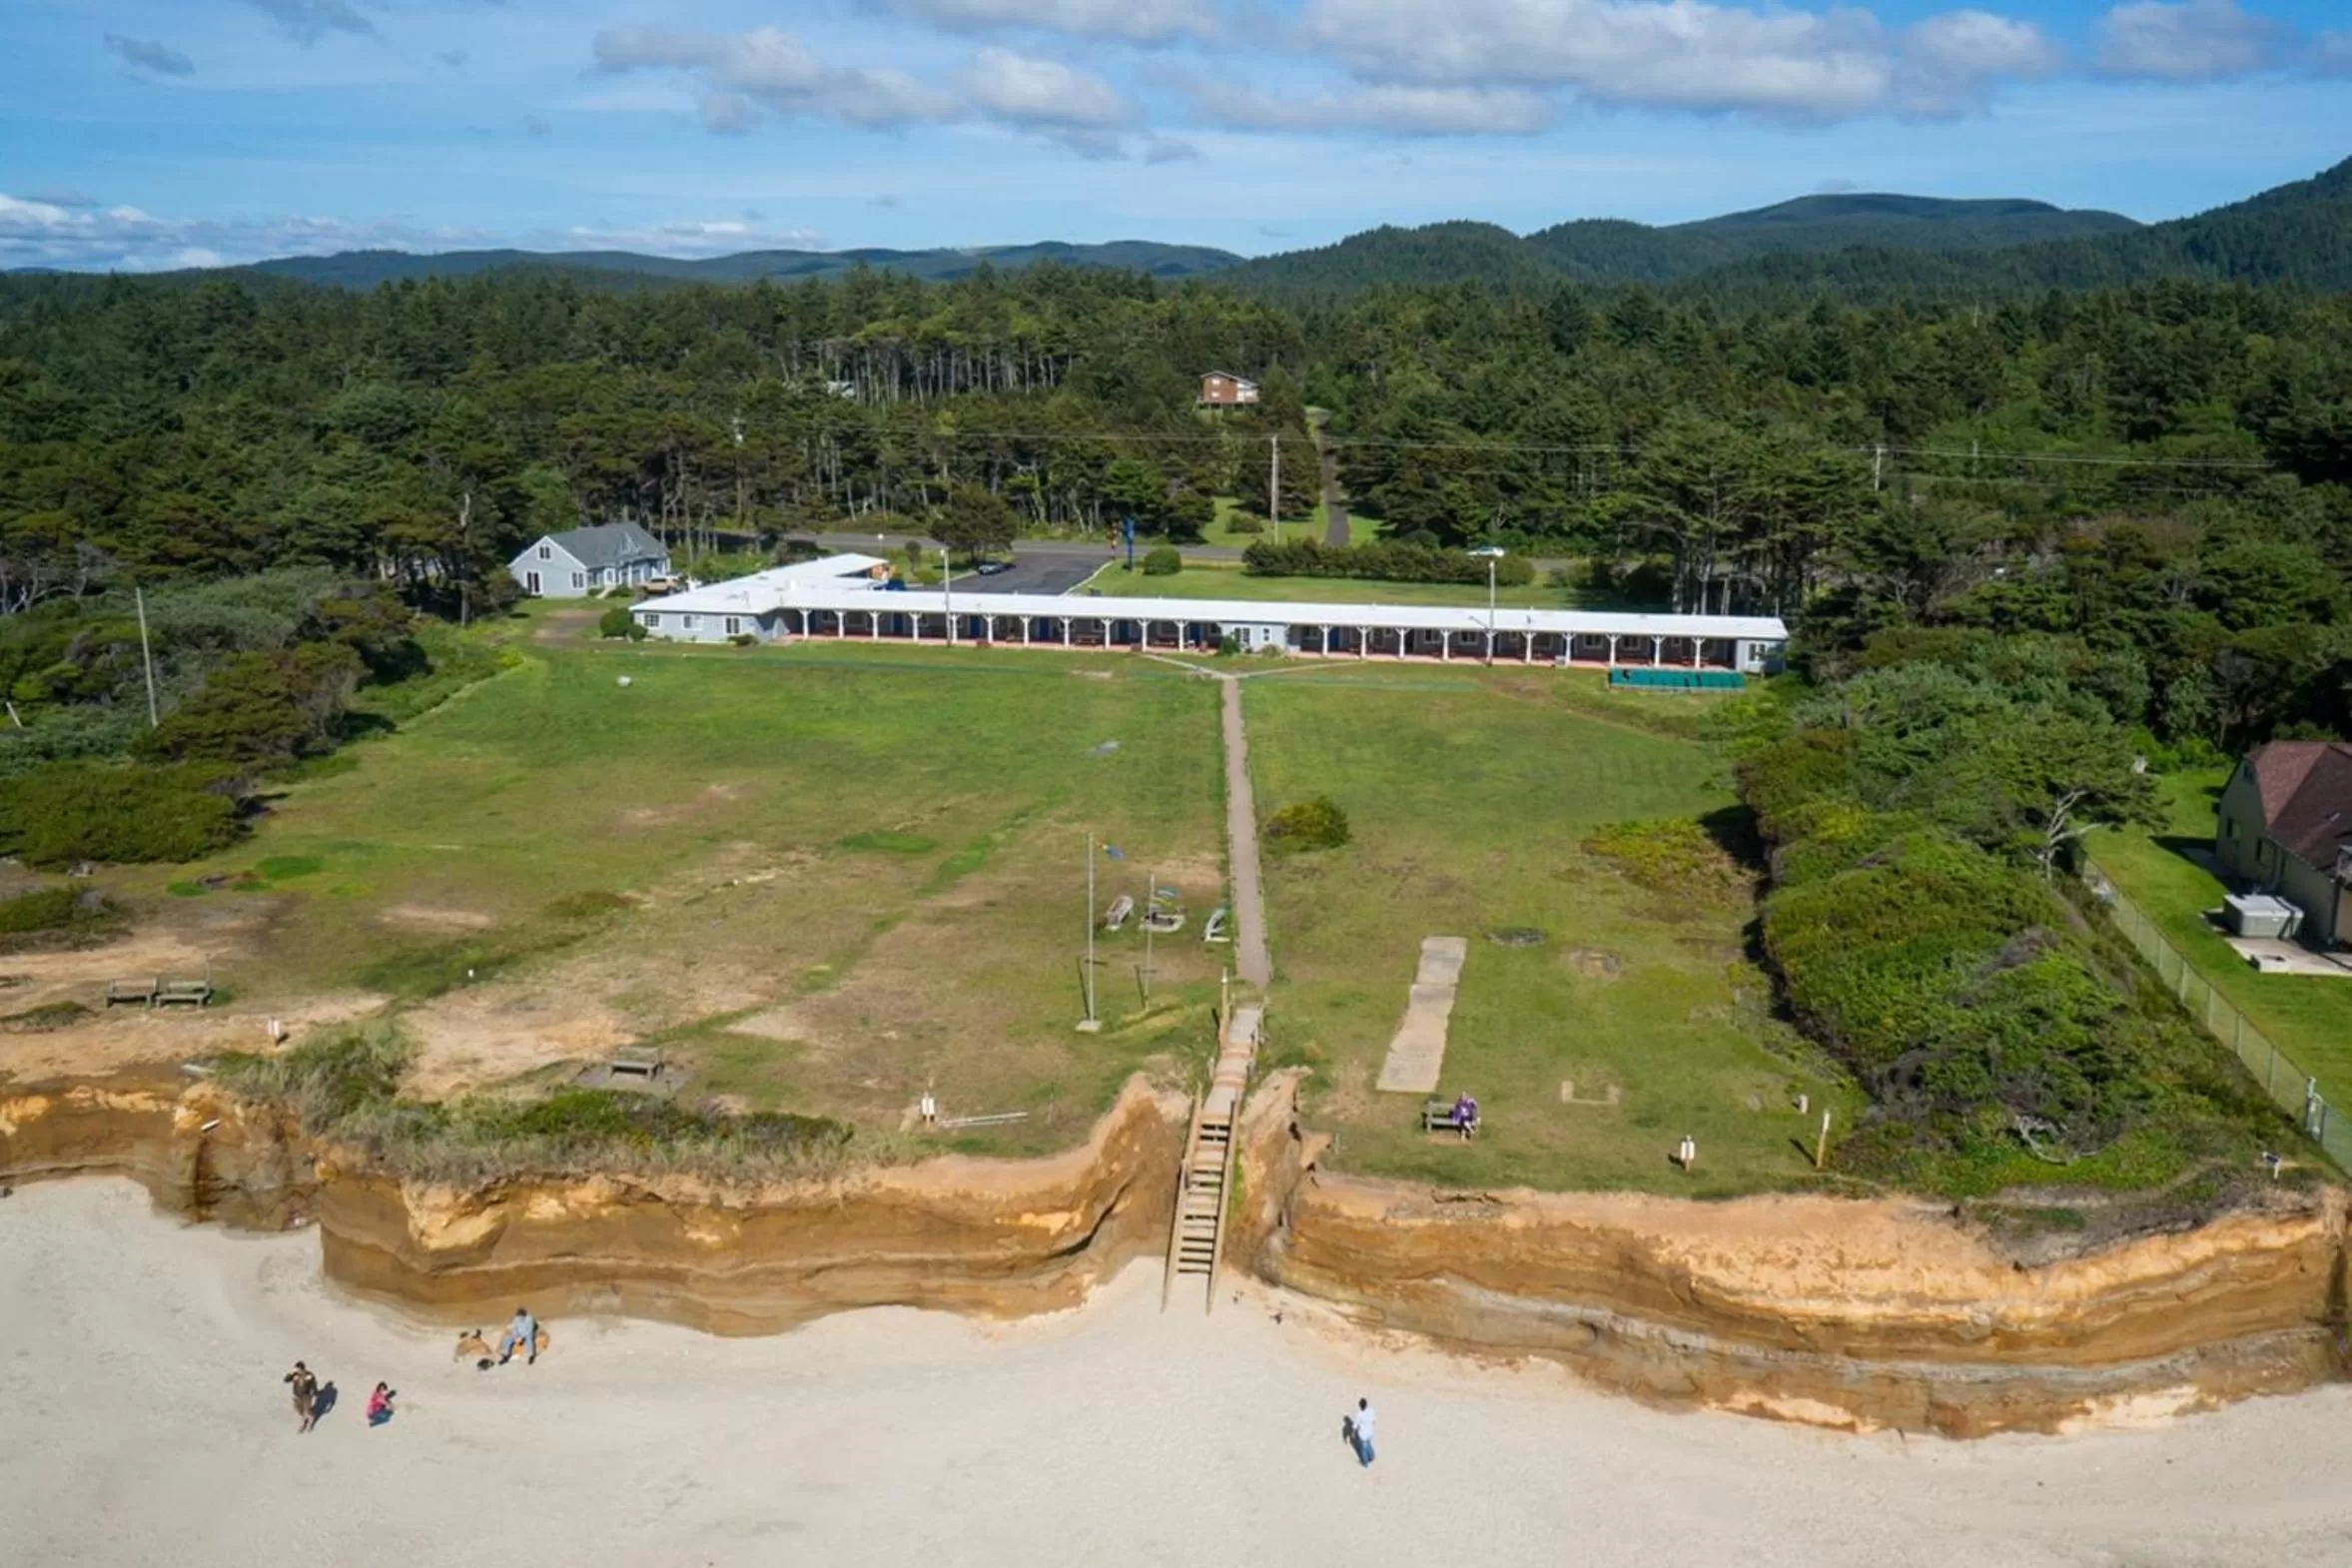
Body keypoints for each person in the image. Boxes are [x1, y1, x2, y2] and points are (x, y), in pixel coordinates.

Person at [284, 1361, 320, 1433]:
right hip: (297, 1396)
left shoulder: (309, 1375)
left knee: (307, 1410)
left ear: (302, 1369)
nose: (297, 1371)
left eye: (298, 1369)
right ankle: (307, 1418)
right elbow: (286, 1380)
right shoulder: (294, 1375)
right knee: (299, 1410)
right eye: (296, 1369)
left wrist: (314, 1392)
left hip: (306, 1395)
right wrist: (290, 1374)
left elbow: (314, 1384)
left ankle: (308, 1422)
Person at [1344, 1396, 1376, 1467]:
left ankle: (1365, 1463)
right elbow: (1373, 1421)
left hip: (1363, 1435)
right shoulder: (1371, 1411)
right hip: (1370, 1432)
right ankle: (1372, 1457)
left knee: (1363, 1449)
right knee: (1369, 1444)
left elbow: (1355, 1426)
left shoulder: (1359, 1415)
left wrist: (1352, 1434)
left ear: (1360, 1406)